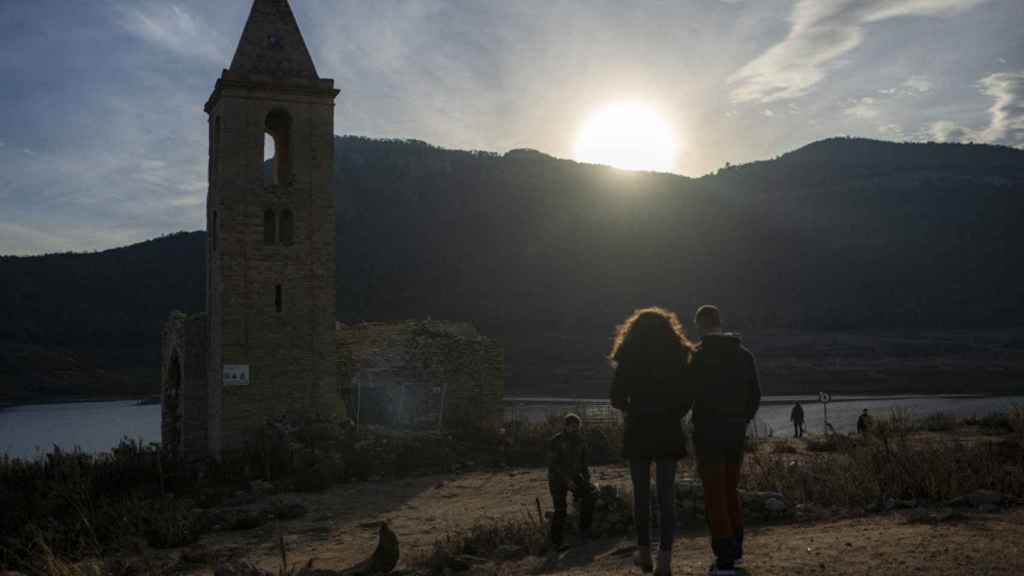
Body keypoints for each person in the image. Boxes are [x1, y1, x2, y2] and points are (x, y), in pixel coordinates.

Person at [610, 307, 692, 575]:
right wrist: (671, 413)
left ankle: (644, 552)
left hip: (638, 430)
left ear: (633, 331)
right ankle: (665, 560)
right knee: (666, 496)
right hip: (668, 429)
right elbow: (686, 397)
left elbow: (616, 398)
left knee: (641, 495)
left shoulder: (628, 355)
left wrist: (632, 409)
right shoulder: (679, 355)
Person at [689, 305, 760, 575]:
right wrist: (741, 420)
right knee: (731, 490)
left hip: (708, 433)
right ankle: (736, 549)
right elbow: (755, 395)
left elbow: (686, 395)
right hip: (735, 432)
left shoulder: (697, 356)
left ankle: (725, 557)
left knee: (714, 493)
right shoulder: (744, 355)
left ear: (700, 325)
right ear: (720, 322)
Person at [547, 412, 596, 549]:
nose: (575, 429)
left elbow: (584, 463)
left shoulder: (581, 441)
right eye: (573, 426)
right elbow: (554, 465)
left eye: (577, 427)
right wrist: (566, 480)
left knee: (591, 494)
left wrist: (587, 480)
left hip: (575, 477)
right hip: (557, 479)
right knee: (560, 509)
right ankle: (556, 543)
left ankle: (584, 531)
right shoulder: (556, 441)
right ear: (566, 426)